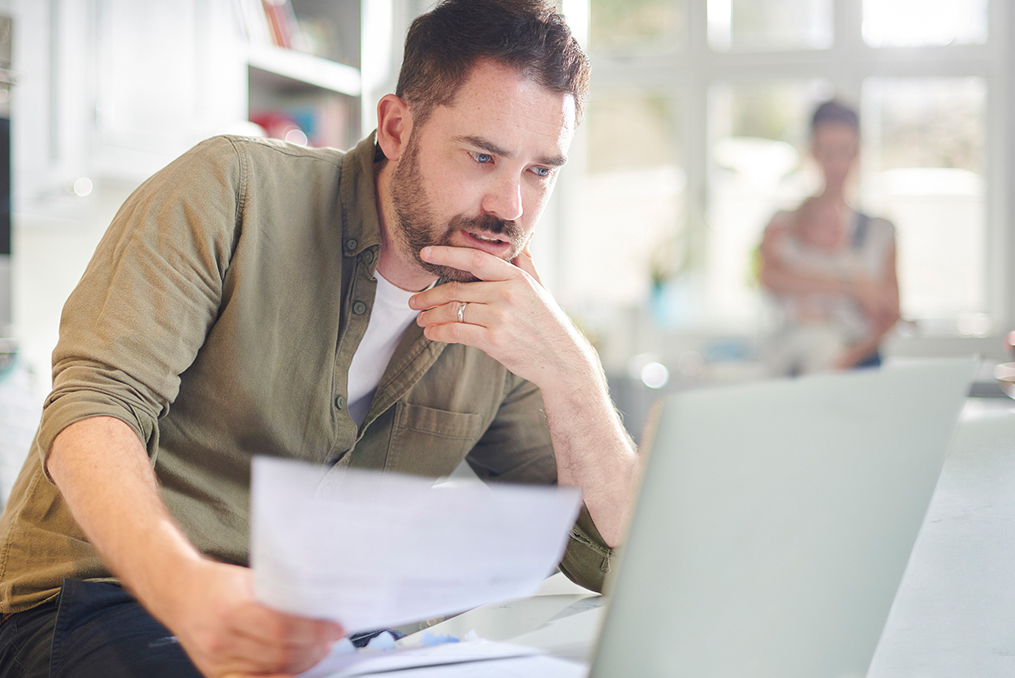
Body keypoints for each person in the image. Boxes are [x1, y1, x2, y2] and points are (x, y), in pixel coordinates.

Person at [0, 1, 639, 676]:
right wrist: (185, 591)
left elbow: (617, 554)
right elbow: (92, 411)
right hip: (119, 598)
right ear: (395, 126)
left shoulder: (507, 316)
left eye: (540, 171)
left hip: (335, 636)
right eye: (482, 156)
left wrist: (574, 372)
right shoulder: (232, 191)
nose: (509, 207)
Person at [758, 99, 900, 376]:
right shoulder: (783, 223)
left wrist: (846, 359)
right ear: (812, 152)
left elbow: (890, 312)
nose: (836, 163)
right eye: (827, 151)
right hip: (794, 362)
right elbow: (768, 278)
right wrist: (848, 285)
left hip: (859, 364)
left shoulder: (880, 231)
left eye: (845, 151)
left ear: (857, 152)